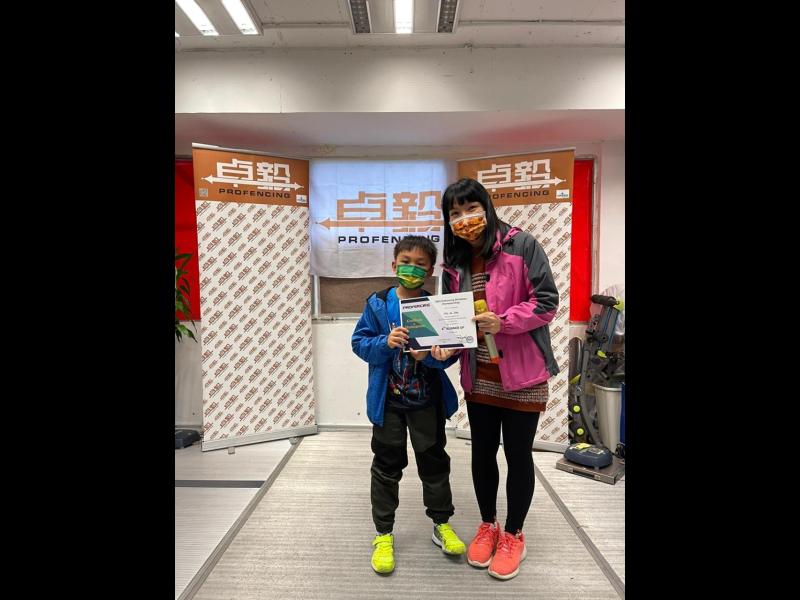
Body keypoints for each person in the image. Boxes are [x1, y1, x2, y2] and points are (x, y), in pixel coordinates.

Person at [439, 178, 560, 580]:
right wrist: (444, 347)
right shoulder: (454, 263)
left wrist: (503, 321)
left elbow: (547, 303)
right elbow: (453, 321)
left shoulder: (522, 245)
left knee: (518, 455)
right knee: (482, 453)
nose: (464, 219)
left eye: (470, 208)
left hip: (523, 375)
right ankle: (488, 524)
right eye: (455, 213)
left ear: (486, 207)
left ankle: (514, 534)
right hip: (480, 376)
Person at [351, 235, 466, 575]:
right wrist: (385, 342)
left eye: (420, 265)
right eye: (406, 262)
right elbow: (359, 344)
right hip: (388, 403)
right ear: (394, 265)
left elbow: (448, 356)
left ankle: (441, 524)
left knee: (434, 464)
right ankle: (383, 534)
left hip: (426, 402)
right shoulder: (377, 304)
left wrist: (431, 357)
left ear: (430, 271)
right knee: (386, 467)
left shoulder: (437, 308)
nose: (412, 269)